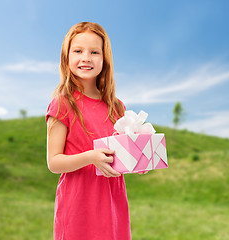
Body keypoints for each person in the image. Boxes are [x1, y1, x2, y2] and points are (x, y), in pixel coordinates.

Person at [46, 22, 131, 240]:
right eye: (78, 51)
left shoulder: (116, 106)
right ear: (66, 57)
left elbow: (121, 157)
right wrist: (91, 157)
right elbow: (54, 162)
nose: (86, 58)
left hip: (112, 205)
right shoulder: (63, 104)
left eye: (94, 52)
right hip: (78, 206)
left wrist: (139, 161)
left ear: (105, 59)